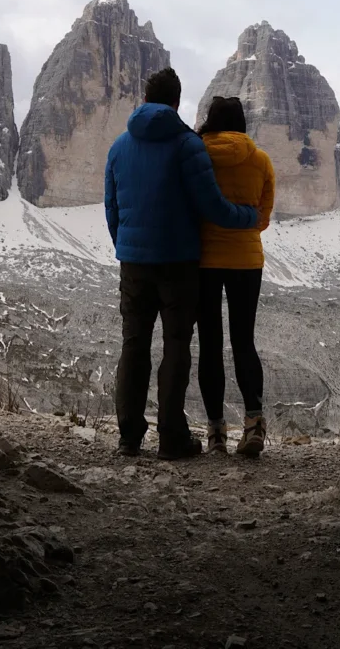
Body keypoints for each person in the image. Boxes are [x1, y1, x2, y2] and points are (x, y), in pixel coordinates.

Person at [104, 68, 258, 460]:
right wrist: (248, 216)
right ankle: (172, 438)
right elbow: (212, 207)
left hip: (134, 262)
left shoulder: (119, 146)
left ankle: (129, 439)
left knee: (134, 345)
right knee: (176, 347)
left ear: (144, 97)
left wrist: (126, 245)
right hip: (179, 262)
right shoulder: (188, 145)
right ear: (176, 101)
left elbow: (112, 207)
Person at [196, 96, 275, 457]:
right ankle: (254, 424)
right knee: (244, 341)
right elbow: (263, 218)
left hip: (205, 260)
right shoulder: (260, 160)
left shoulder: (197, 156)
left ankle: (215, 434)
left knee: (210, 344)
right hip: (247, 260)